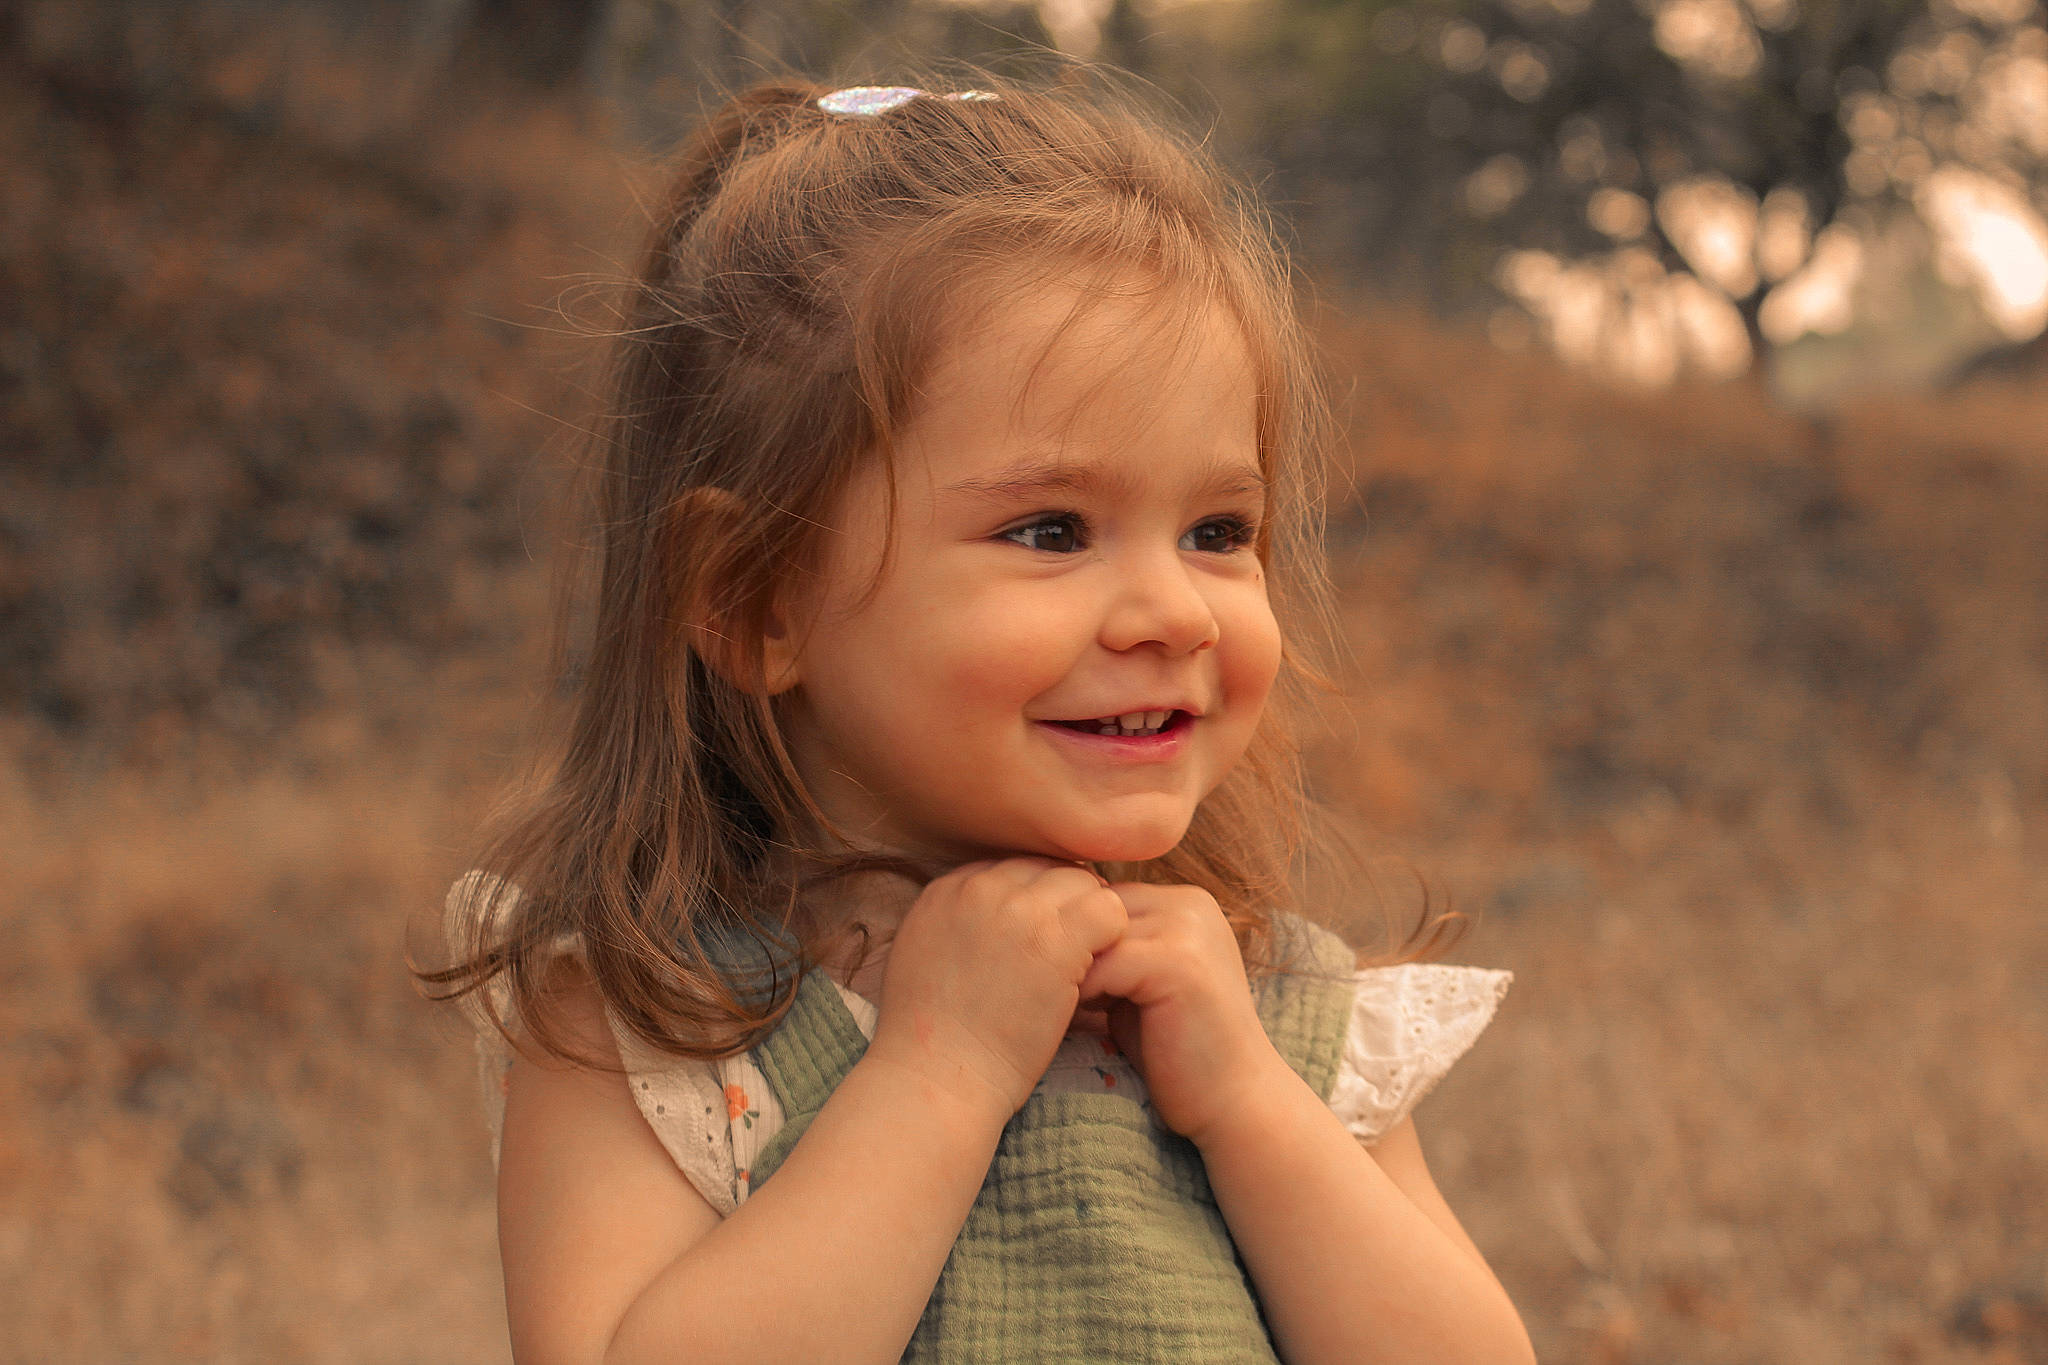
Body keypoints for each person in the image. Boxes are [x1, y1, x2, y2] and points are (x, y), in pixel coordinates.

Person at [423, 66, 1534, 1365]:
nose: (1176, 611)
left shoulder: (1277, 1013)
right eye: (1053, 529)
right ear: (755, 596)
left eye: (1219, 530)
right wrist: (937, 1081)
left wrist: (1243, 1099)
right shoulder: (653, 1024)